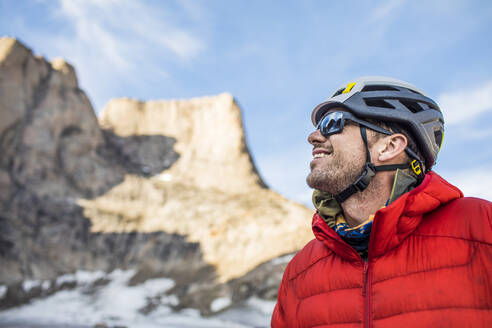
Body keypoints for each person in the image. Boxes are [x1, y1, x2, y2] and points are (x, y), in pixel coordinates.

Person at [271, 76, 492, 327]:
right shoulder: (301, 270)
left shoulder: (482, 226)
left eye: (332, 123)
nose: (313, 136)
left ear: (389, 147)